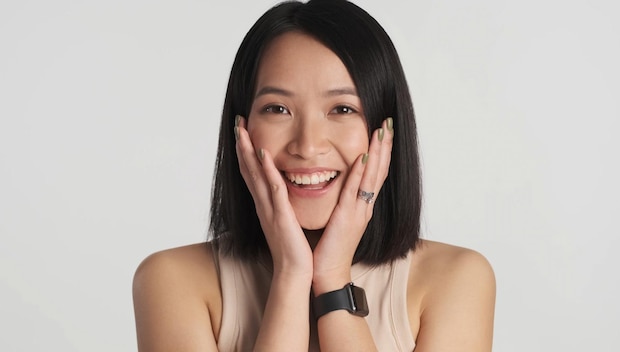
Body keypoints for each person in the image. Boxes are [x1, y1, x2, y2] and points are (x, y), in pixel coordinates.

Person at [132, 0, 496, 350]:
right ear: (241, 129)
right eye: (277, 108)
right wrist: (291, 274)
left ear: (385, 130)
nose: (307, 145)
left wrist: (334, 277)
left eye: (341, 108)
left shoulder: (455, 280)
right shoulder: (171, 280)